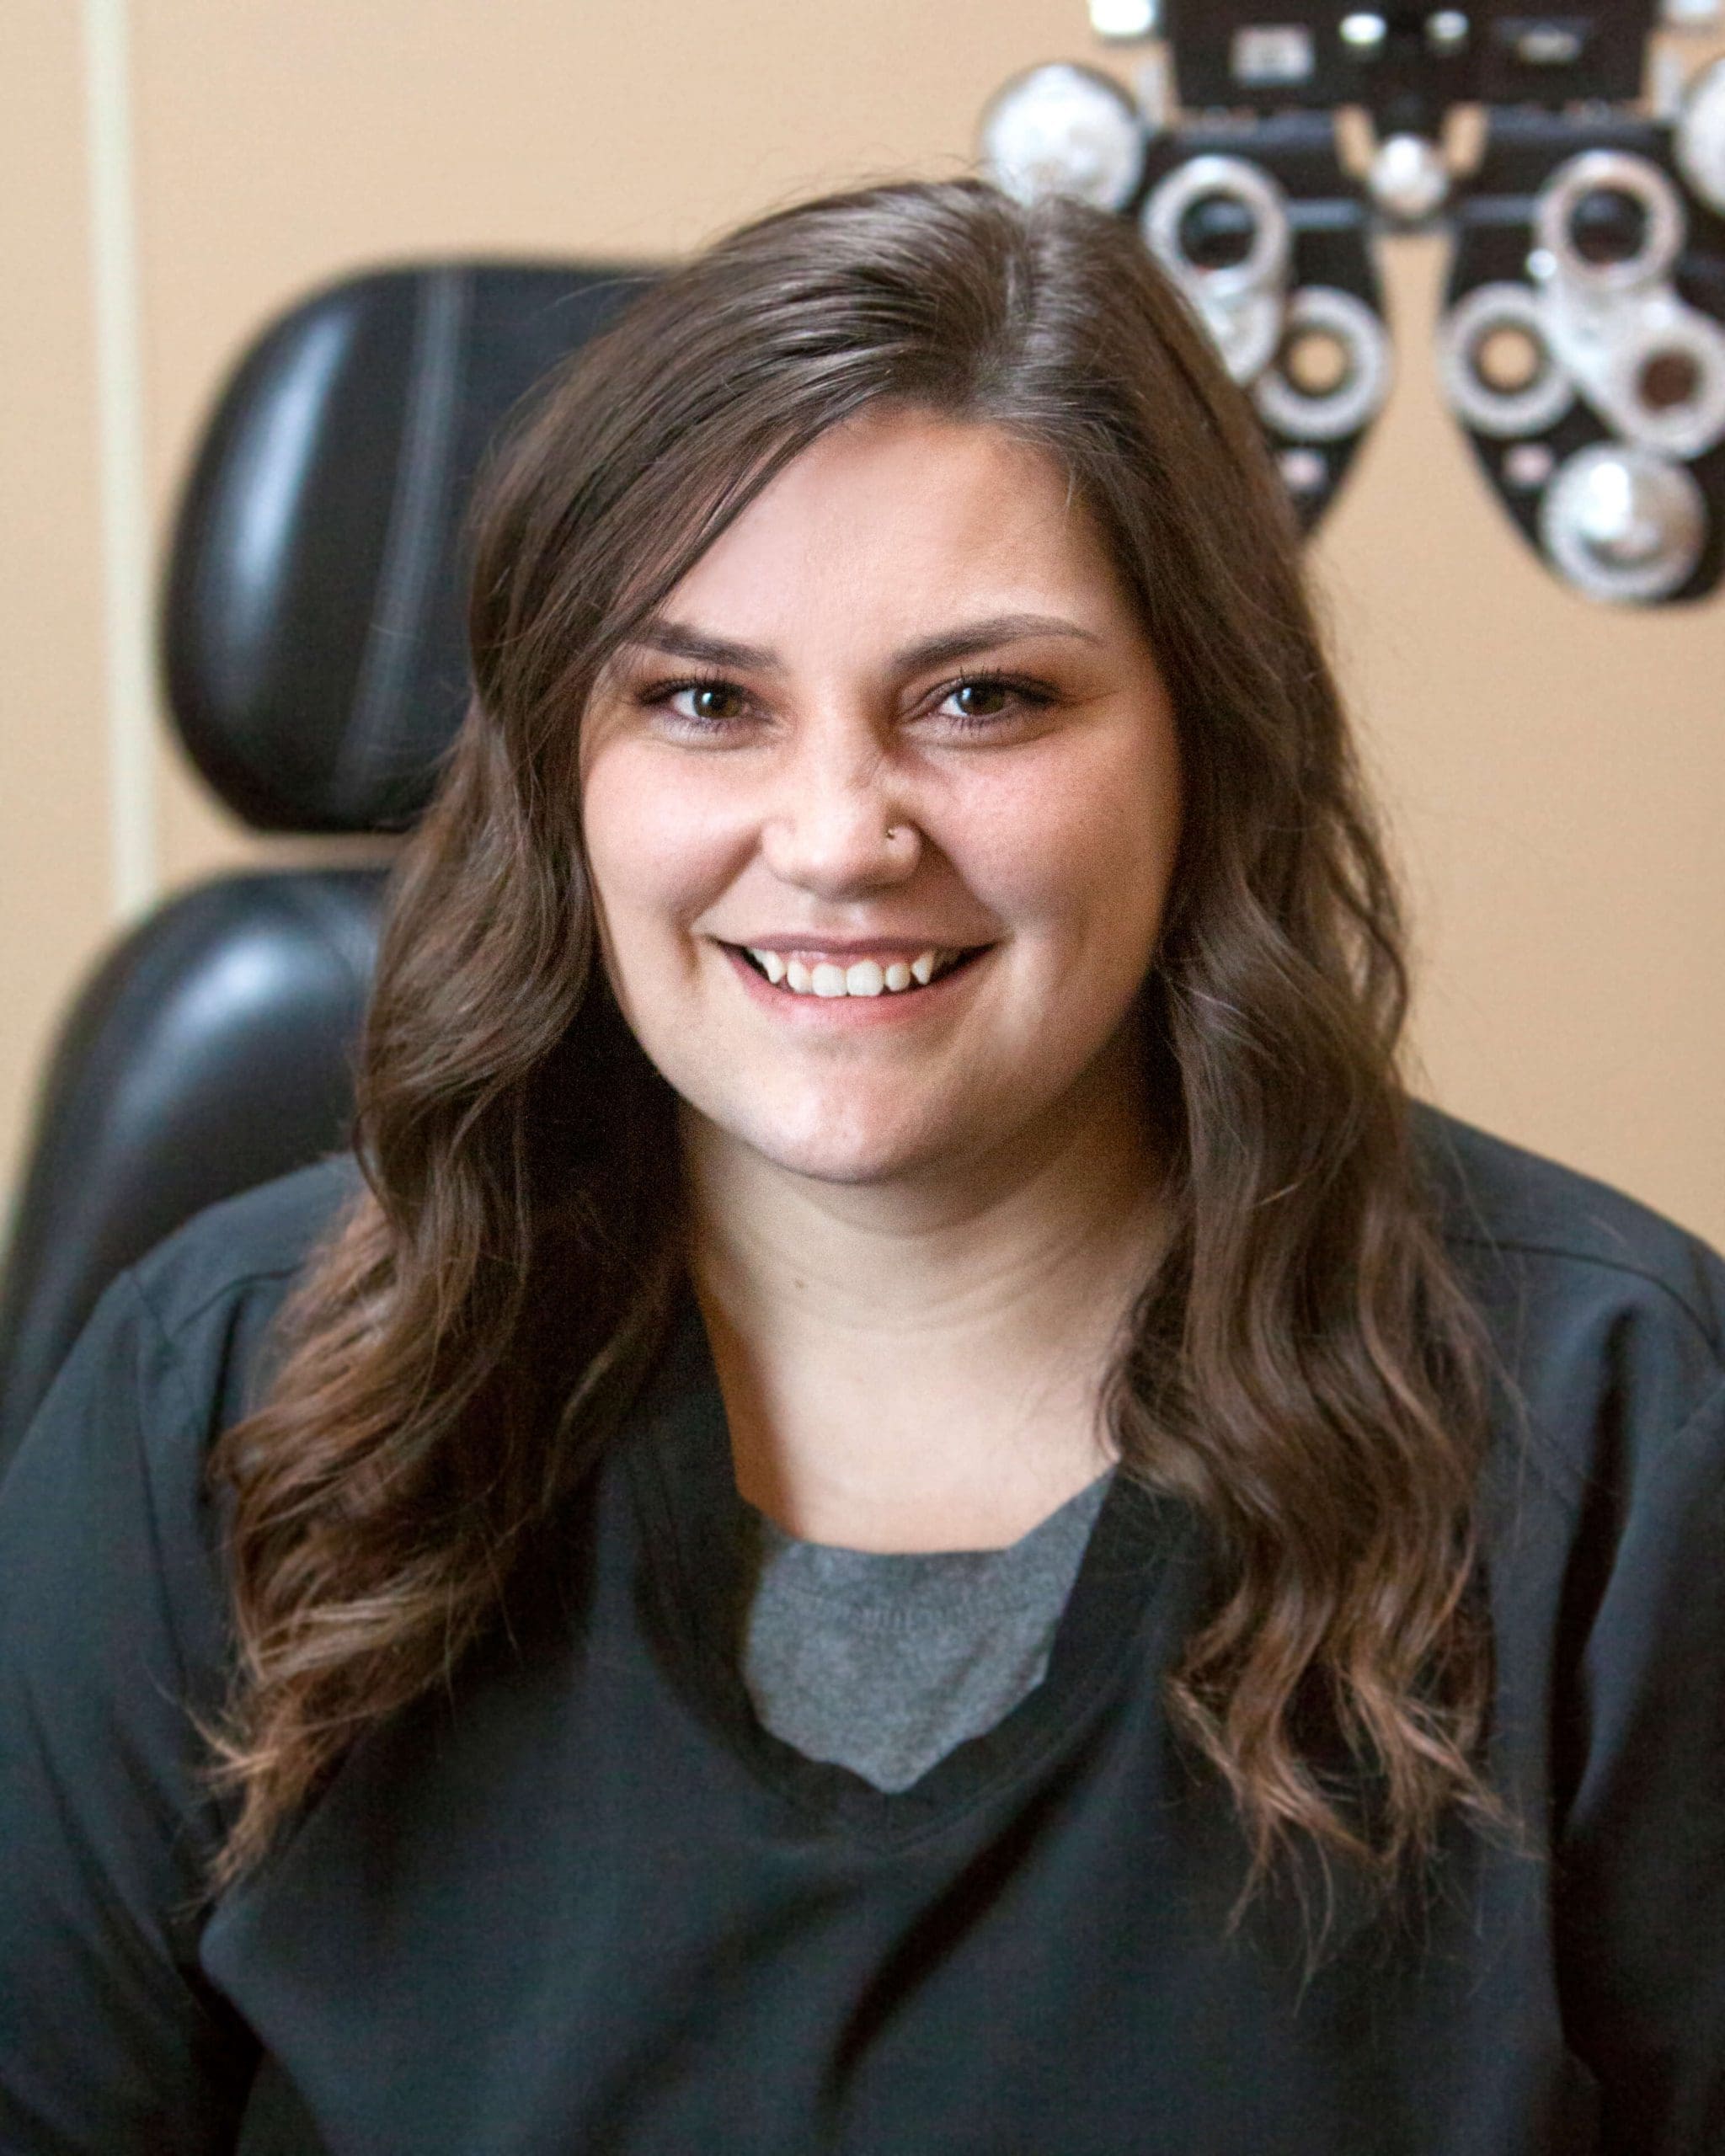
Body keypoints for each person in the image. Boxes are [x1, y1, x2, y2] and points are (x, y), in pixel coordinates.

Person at [2, 176, 1722, 2156]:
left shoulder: (1616, 1424)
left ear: (1207, 744)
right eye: (703, 700)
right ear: (570, 774)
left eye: (984, 697)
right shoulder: (219, 1391)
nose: (836, 833)